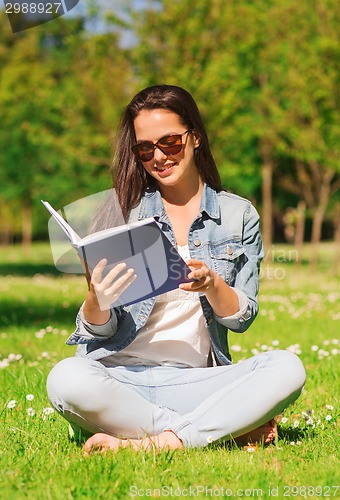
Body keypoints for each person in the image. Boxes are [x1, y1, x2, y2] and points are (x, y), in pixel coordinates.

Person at [47, 84, 306, 453]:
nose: (159, 157)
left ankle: (149, 439)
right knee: (65, 379)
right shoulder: (123, 212)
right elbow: (99, 329)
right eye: (145, 148)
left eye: (170, 142)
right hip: (119, 378)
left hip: (195, 382)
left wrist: (213, 284)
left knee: (287, 368)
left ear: (195, 138)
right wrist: (96, 300)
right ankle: (211, 429)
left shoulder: (238, 215)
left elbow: (242, 317)